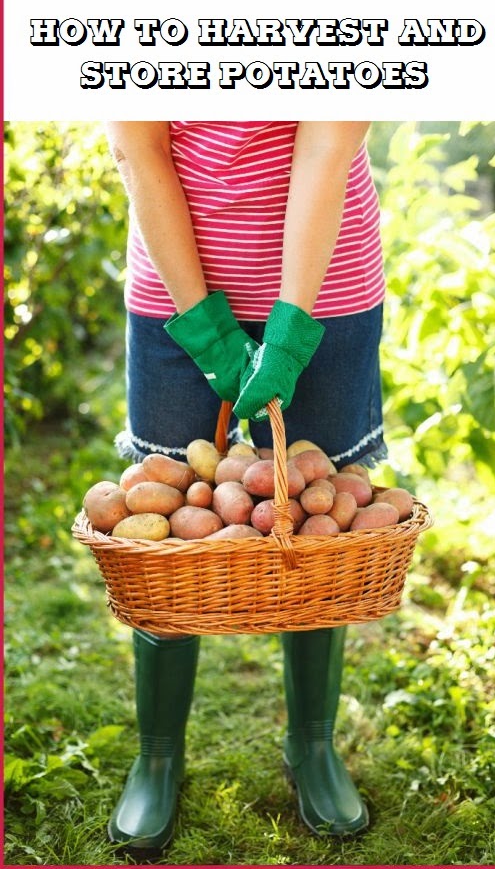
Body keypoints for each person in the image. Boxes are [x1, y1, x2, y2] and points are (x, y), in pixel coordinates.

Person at [105, 120, 387, 853]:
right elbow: (141, 148)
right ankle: (158, 754)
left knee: (315, 526)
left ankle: (313, 746)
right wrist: (202, 324)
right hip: (176, 283)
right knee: (164, 524)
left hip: (323, 283)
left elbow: (326, 145)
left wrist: (291, 329)